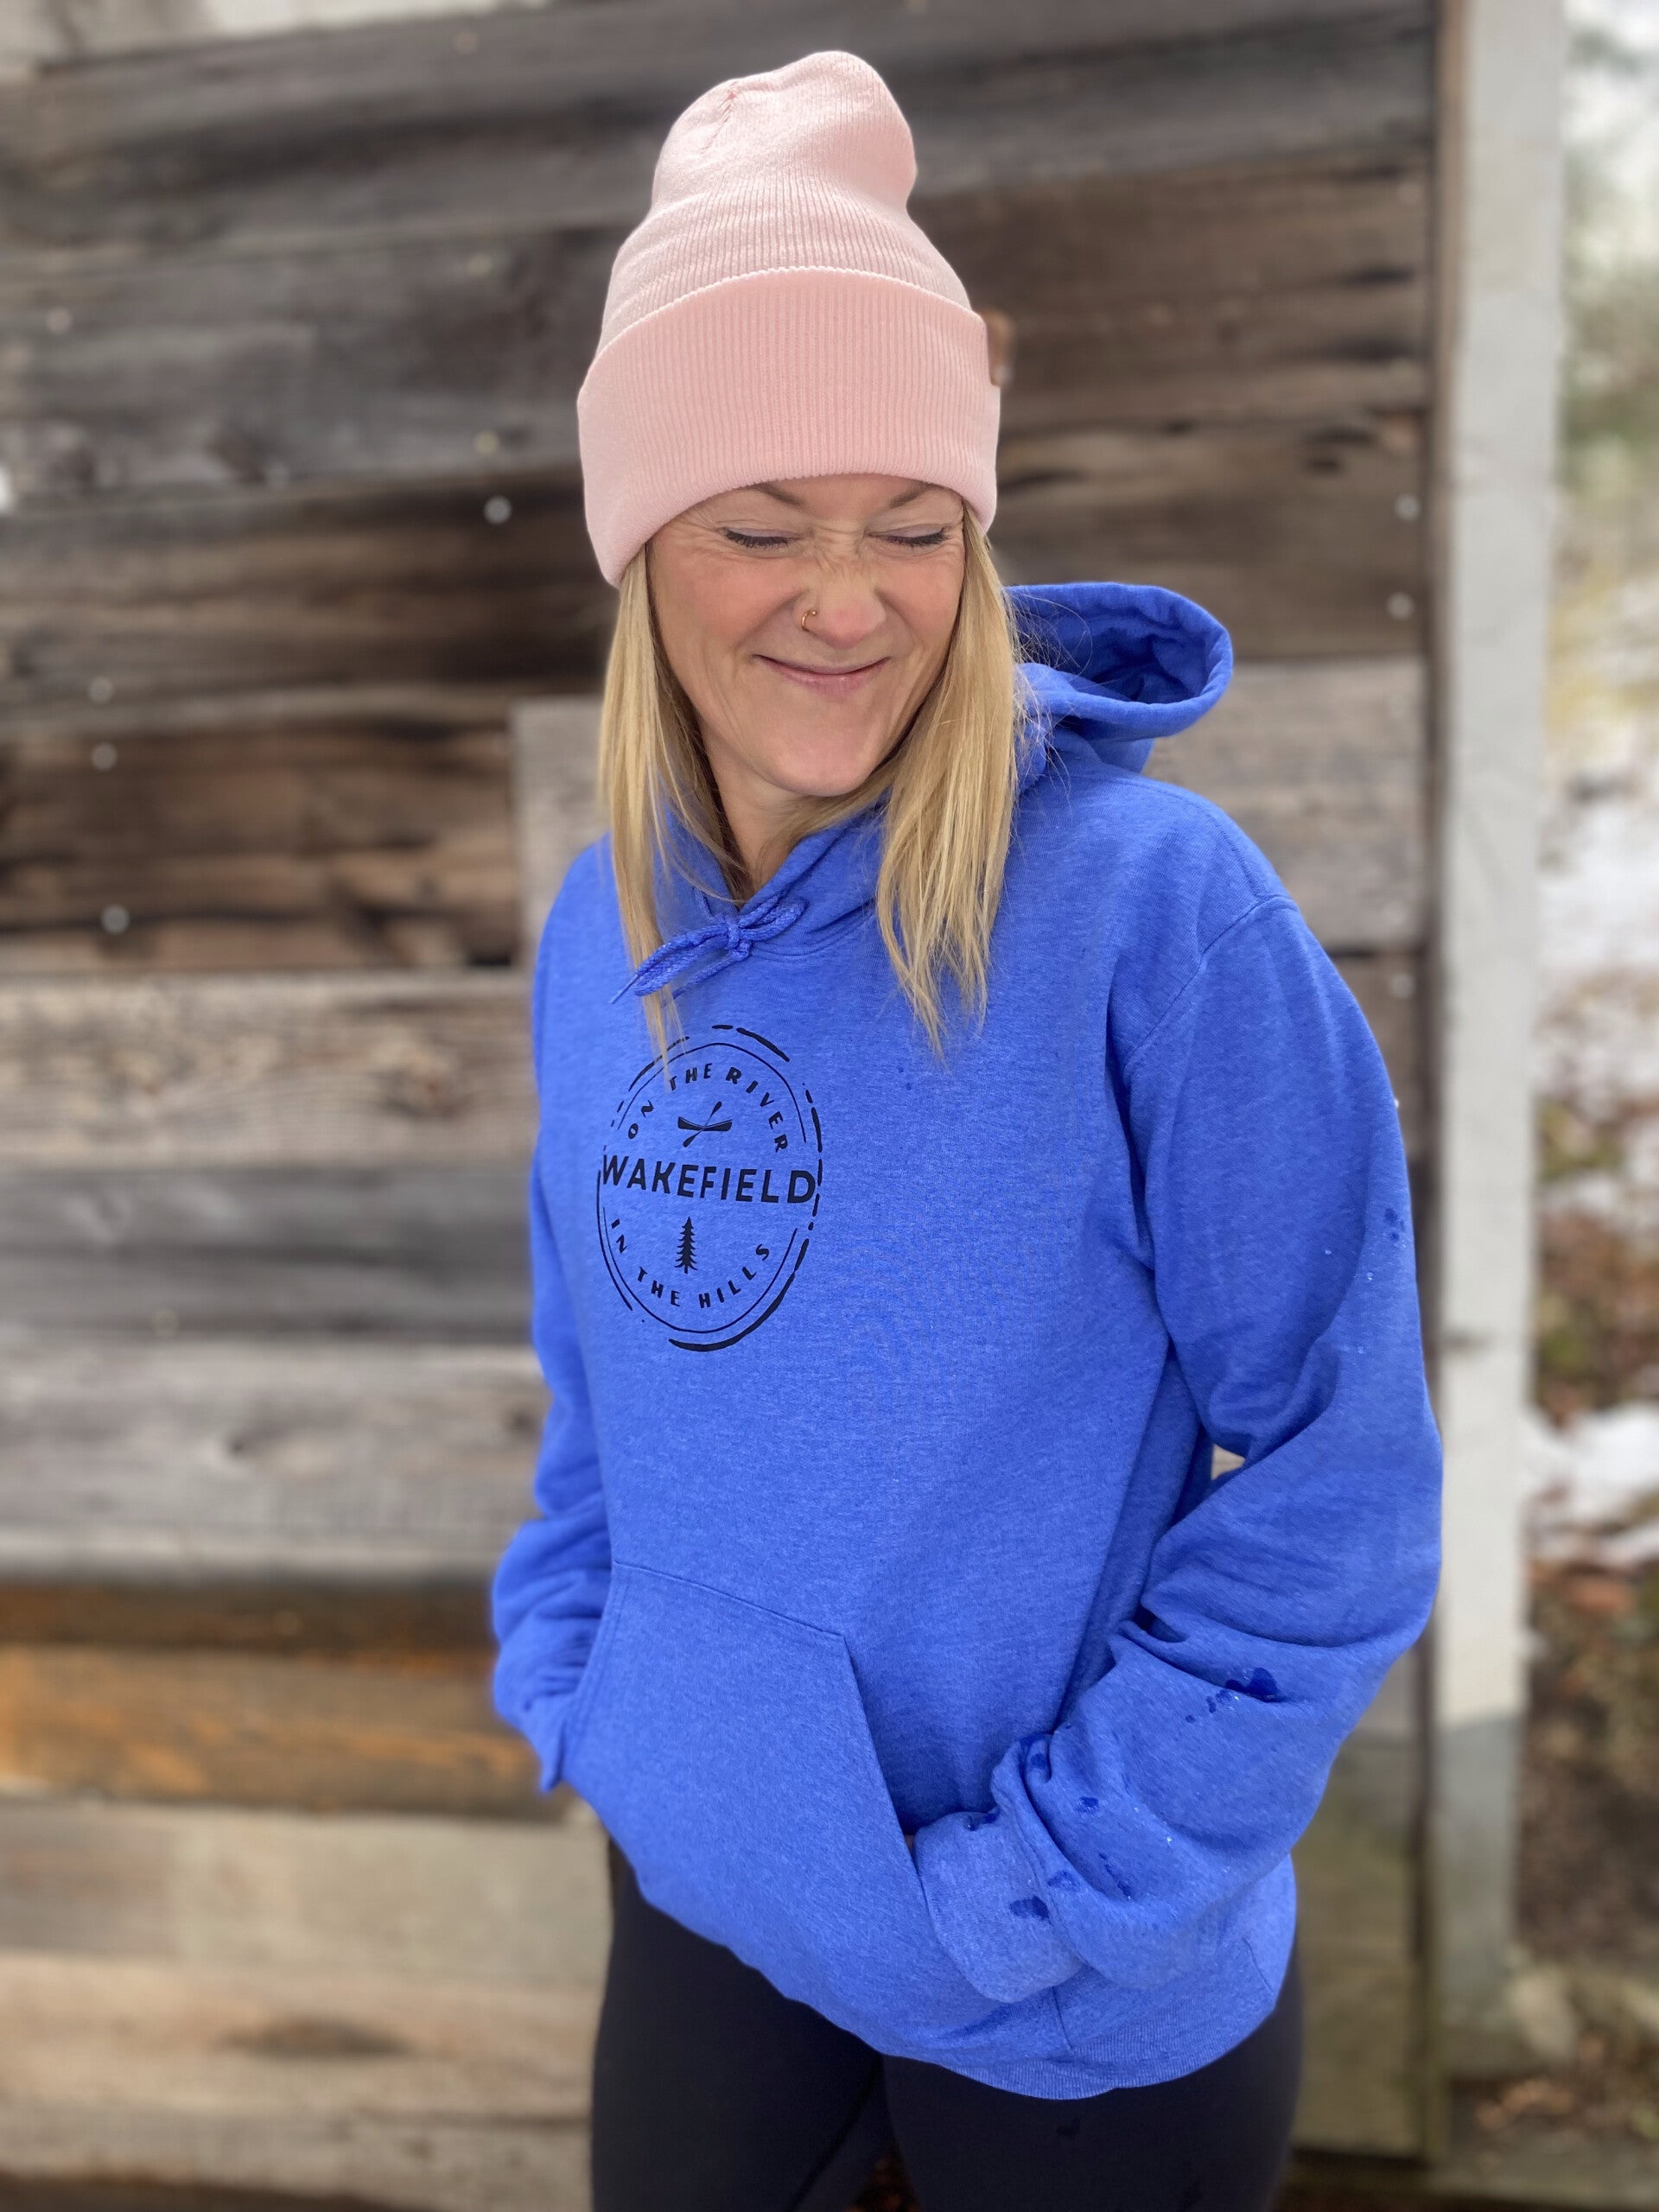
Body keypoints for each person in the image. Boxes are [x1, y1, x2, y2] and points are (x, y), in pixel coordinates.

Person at [491, 48, 1441, 2212]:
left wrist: (1050, 1883)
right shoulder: (599, 928)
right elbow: (599, 1387)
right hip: (707, 1903)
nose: (849, 600)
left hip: (1065, 1985)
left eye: (913, 526)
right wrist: (589, 1692)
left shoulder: (1152, 913)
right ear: (642, 545)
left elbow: (1342, 1471)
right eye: (761, 524)